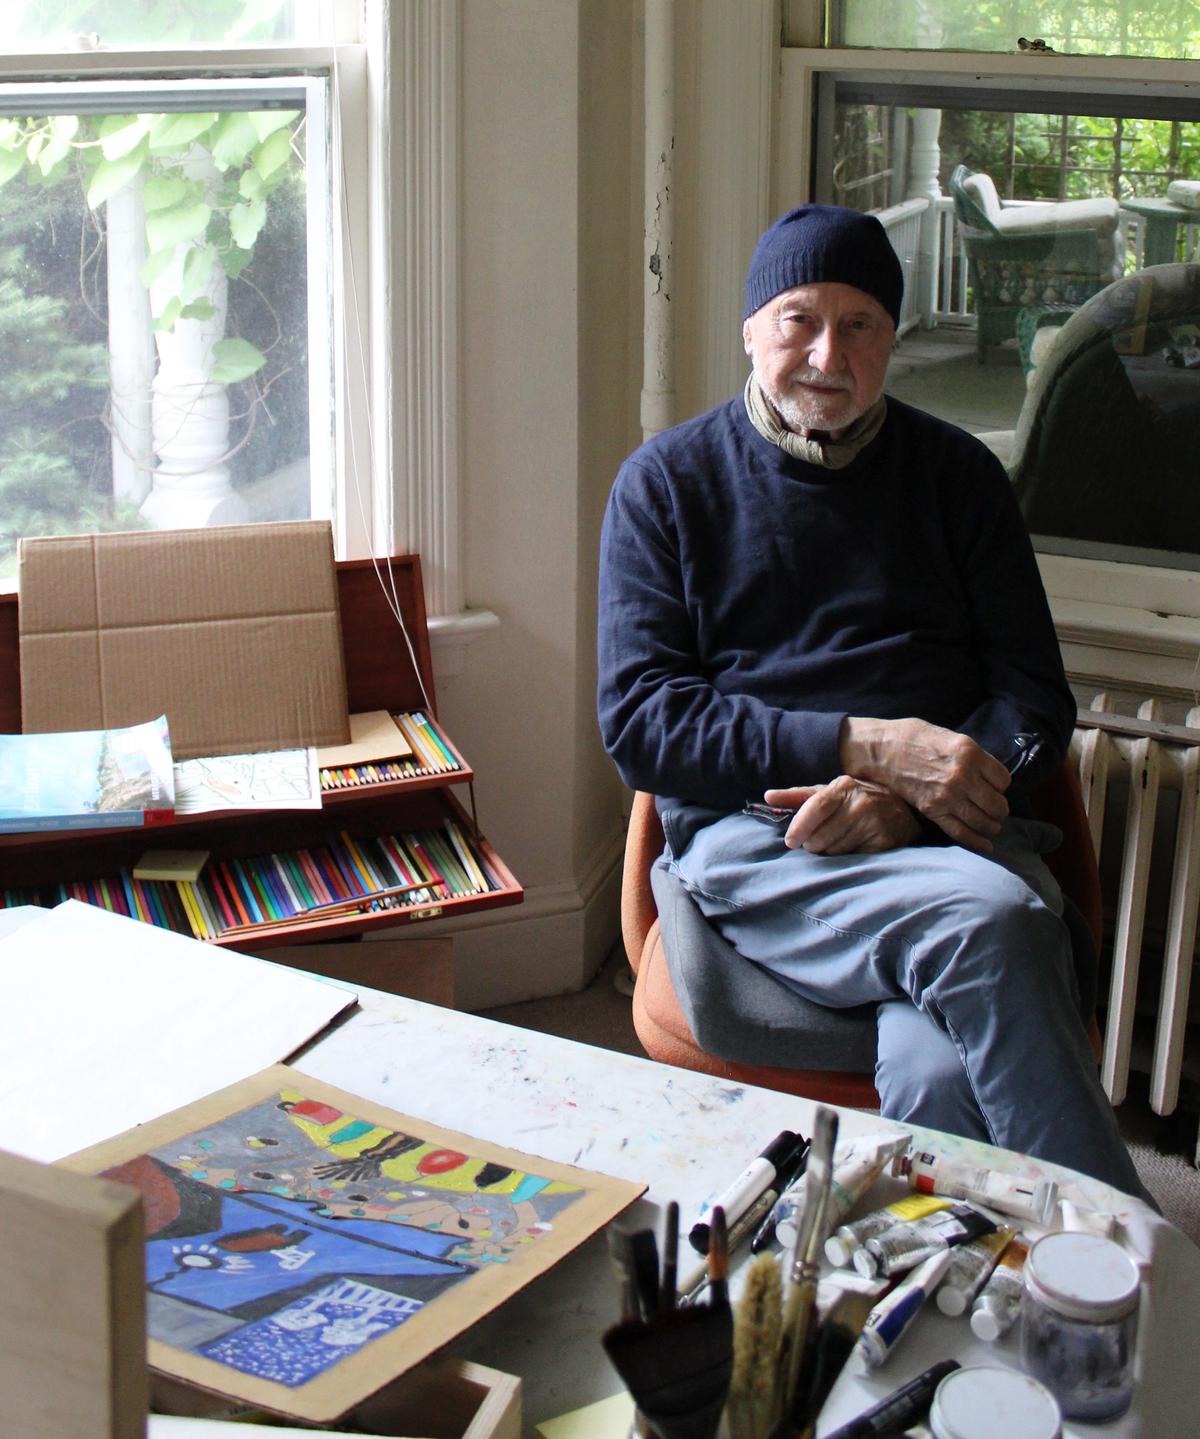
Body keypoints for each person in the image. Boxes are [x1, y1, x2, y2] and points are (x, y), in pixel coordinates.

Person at [597, 203, 1148, 1199]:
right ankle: (1117, 1259)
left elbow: (1035, 702)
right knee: (996, 924)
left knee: (939, 1071)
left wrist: (915, 798)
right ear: (751, 329)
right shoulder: (666, 485)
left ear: (895, 339)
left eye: (860, 326)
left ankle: (950, 1291)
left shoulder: (963, 480)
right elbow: (641, 725)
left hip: (943, 833)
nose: (825, 353)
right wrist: (866, 748)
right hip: (765, 839)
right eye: (798, 319)